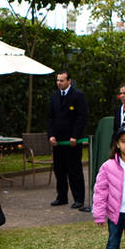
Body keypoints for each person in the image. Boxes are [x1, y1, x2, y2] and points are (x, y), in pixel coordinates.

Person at [47, 70, 89, 209]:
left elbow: (81, 117)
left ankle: (78, 198)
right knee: (59, 170)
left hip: (72, 141)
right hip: (58, 141)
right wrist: (51, 135)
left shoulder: (78, 96)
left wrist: (75, 136)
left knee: (74, 170)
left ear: (69, 81)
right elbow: (50, 118)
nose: (59, 83)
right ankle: (62, 196)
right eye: (58, 80)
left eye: (62, 80)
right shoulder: (54, 96)